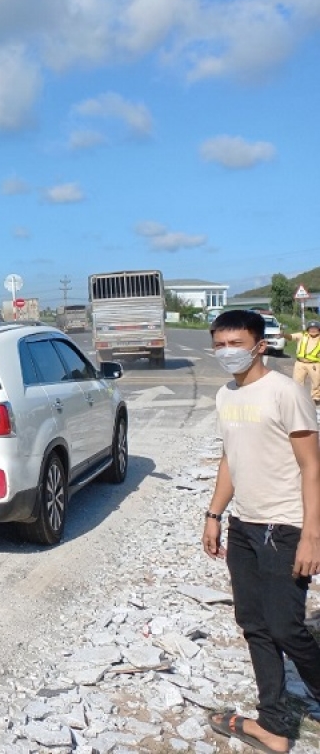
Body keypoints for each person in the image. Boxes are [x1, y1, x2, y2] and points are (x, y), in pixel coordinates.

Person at [203, 309, 320, 753]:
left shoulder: (285, 393)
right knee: (253, 623)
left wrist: (313, 534)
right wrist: (214, 513)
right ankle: (272, 724)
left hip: (284, 525)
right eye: (219, 344)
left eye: (235, 343)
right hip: (244, 526)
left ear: (260, 345)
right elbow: (231, 457)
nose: (226, 352)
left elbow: (312, 466)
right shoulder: (225, 397)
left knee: (286, 626)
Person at [285, 319, 320, 406]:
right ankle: (298, 397)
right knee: (297, 381)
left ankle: (316, 399)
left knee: (316, 382)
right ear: (308, 329)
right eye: (311, 328)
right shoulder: (302, 335)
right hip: (300, 363)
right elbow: (291, 337)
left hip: (314, 364)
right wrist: (283, 335)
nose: (313, 330)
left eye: (315, 328)